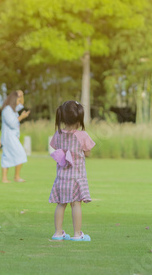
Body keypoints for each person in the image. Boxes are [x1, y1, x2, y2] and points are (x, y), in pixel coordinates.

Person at [49, 100, 95, 241]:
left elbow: (56, 148)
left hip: (62, 177)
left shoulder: (58, 135)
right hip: (76, 177)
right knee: (76, 204)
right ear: (79, 118)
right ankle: (77, 234)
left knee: (61, 204)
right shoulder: (82, 135)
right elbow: (87, 152)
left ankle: (58, 233)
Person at [1, 90, 30, 183]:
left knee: (9, 155)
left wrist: (22, 95)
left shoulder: (13, 109)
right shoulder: (7, 110)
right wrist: (21, 117)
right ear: (14, 99)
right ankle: (11, 177)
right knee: (19, 154)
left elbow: (21, 104)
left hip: (13, 137)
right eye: (18, 99)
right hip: (8, 137)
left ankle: (12, 177)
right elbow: (12, 123)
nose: (20, 101)